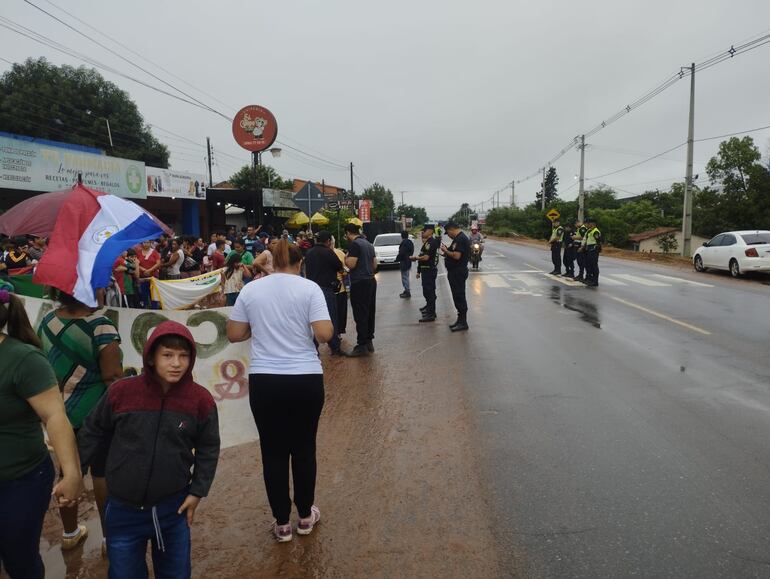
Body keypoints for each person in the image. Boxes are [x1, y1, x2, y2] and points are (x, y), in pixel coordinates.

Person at [78, 322, 220, 578]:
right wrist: (74, 473)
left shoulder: (200, 400)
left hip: (173, 510)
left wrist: (198, 491)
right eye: (167, 355)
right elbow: (92, 430)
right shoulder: (121, 392)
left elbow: (209, 447)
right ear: (151, 357)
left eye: (183, 356)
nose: (176, 363)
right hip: (122, 510)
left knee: (176, 574)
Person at [227, 239, 334, 543]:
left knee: (272, 452)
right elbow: (325, 334)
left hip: (266, 380)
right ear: (300, 263)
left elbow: (234, 333)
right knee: (303, 449)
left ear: (272, 261)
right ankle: (304, 517)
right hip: (305, 379)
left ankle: (281, 524)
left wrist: (257, 327)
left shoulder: (251, 289)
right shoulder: (309, 288)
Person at [0, 289, 82, 579]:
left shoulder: (23, 359)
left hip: (19, 481)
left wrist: (71, 473)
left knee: (19, 558)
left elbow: (54, 416)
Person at [38, 290, 124, 554]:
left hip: (60, 415)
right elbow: (112, 376)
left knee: (68, 472)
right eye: (98, 285)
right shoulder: (101, 325)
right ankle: (110, 539)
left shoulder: (47, 321)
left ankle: (69, 532)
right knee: (102, 474)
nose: (103, 289)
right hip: (97, 413)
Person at [305, 230, 345, 355]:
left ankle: (314, 348)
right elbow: (339, 266)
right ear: (328, 241)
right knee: (331, 317)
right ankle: (335, 347)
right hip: (326, 289)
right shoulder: (328, 252)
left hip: (311, 289)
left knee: (312, 319)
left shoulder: (309, 252)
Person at [344, 223, 377, 357]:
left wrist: (345, 259)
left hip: (360, 282)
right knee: (369, 312)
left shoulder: (354, 245)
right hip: (371, 281)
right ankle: (369, 341)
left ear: (347, 233)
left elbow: (351, 264)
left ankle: (361, 345)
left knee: (360, 313)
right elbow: (375, 265)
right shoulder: (369, 244)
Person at [441, 222, 470, 331]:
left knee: (459, 295)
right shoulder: (458, 238)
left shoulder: (460, 239)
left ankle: (463, 322)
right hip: (455, 271)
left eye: (448, 233)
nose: (448, 235)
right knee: (457, 296)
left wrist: (446, 251)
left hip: (458, 272)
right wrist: (446, 252)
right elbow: (453, 252)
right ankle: (460, 320)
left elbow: (457, 256)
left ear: (451, 230)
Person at [411, 224, 440, 322]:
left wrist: (416, 258)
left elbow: (426, 257)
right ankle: (429, 310)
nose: (423, 232)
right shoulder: (428, 242)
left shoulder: (432, 242)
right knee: (427, 292)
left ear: (431, 231)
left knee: (430, 292)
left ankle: (431, 314)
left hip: (429, 270)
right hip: (425, 270)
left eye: (425, 230)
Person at [331, 236, 349, 339]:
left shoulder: (314, 253)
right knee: (340, 312)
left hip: (323, 289)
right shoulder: (340, 253)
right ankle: (337, 333)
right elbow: (345, 270)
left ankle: (332, 333)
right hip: (339, 288)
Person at [137, 239, 161, 309]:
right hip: (142, 278)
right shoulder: (138, 252)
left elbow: (158, 263)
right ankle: (145, 309)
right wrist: (143, 269)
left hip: (153, 278)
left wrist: (150, 270)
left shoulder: (154, 252)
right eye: (144, 242)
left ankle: (155, 310)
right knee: (144, 295)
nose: (146, 244)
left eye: (148, 242)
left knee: (153, 296)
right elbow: (135, 263)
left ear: (150, 243)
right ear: (142, 243)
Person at [582, 217, 602, 287]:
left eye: (589, 223)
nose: (588, 224)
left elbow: (598, 242)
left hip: (593, 249)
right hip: (589, 249)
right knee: (589, 265)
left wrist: (597, 249)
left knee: (594, 265)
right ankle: (590, 279)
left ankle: (595, 281)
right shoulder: (589, 231)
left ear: (593, 224)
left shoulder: (596, 231)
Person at [397, 231, 414, 298]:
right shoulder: (410, 242)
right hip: (408, 260)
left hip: (404, 261)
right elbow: (412, 251)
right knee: (406, 276)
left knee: (404, 277)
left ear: (401, 236)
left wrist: (397, 259)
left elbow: (401, 253)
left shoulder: (404, 243)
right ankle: (406, 290)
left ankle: (407, 291)